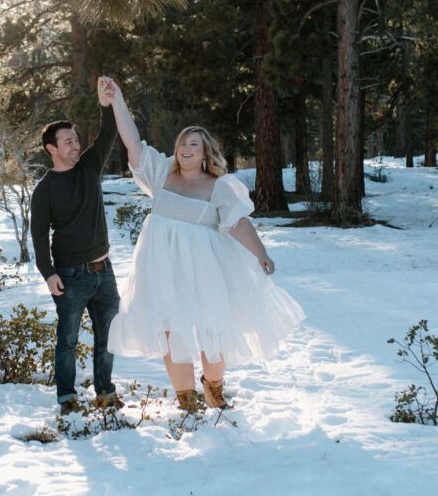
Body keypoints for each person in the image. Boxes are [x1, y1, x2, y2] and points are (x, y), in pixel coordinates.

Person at [104, 79, 305, 411]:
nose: (186, 149)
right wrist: (117, 101)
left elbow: (238, 223)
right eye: (183, 143)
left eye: (194, 145)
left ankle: (214, 387)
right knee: (171, 332)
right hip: (162, 269)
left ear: (205, 152)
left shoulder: (219, 186)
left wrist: (261, 254)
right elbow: (133, 144)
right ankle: (186, 400)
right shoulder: (160, 175)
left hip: (203, 270)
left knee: (211, 331)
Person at [31, 77, 122, 414]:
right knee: (67, 341)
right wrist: (48, 273)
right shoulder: (45, 190)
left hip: (105, 271)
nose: (75, 144)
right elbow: (39, 235)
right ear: (51, 148)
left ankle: (106, 394)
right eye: (68, 141)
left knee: (108, 338)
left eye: (76, 139)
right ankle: (67, 398)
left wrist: (105, 103)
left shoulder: (89, 168)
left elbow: (108, 134)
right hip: (70, 276)